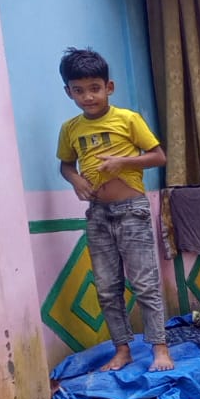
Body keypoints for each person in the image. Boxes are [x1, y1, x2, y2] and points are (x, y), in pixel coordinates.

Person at [56, 47, 175, 371]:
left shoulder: (128, 119)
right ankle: (122, 350)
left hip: (131, 210)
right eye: (78, 91)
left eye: (94, 88)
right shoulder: (70, 129)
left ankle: (160, 350)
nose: (88, 97)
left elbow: (158, 156)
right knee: (107, 288)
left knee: (145, 283)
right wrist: (76, 181)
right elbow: (66, 165)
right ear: (69, 92)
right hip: (98, 214)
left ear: (109, 87)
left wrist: (123, 161)